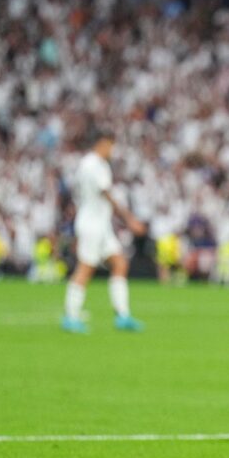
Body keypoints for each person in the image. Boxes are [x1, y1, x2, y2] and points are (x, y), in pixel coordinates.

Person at [62, 130, 146, 334]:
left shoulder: (92, 164)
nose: (112, 150)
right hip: (92, 224)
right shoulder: (93, 165)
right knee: (86, 268)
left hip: (100, 223)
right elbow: (105, 193)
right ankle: (71, 316)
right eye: (110, 145)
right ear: (101, 144)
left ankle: (122, 315)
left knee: (119, 263)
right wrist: (129, 219)